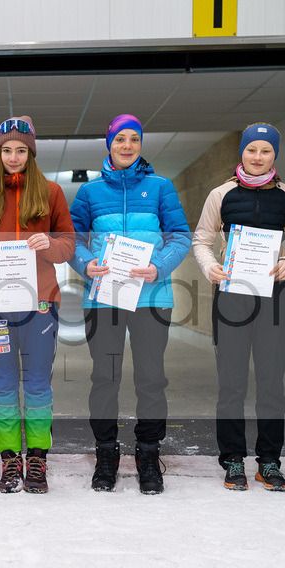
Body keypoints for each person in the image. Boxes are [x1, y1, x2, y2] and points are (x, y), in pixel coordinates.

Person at [68, 114, 191, 495]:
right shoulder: (89, 193)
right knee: (105, 377)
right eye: (120, 139)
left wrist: (159, 266)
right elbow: (71, 238)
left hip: (152, 297)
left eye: (133, 140)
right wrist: (85, 263)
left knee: (151, 379)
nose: (127, 146)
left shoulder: (160, 187)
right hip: (104, 297)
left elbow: (181, 237)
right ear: (109, 144)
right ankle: (106, 453)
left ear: (140, 145)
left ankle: (148, 453)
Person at [192, 123, 285, 491]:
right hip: (232, 299)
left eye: (265, 151)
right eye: (251, 150)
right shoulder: (221, 194)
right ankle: (232, 459)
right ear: (241, 153)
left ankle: (270, 461)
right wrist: (210, 265)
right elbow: (202, 239)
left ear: (274, 155)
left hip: (275, 300)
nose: (257, 157)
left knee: (272, 386)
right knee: (232, 385)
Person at [0, 117, 75, 493]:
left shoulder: (52, 193)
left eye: (21, 150)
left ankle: (38, 459)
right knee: (5, 384)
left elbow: (69, 244)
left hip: (41, 305)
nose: (13, 157)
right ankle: (10, 459)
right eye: (7, 150)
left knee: (39, 384)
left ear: (31, 153)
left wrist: (51, 245)